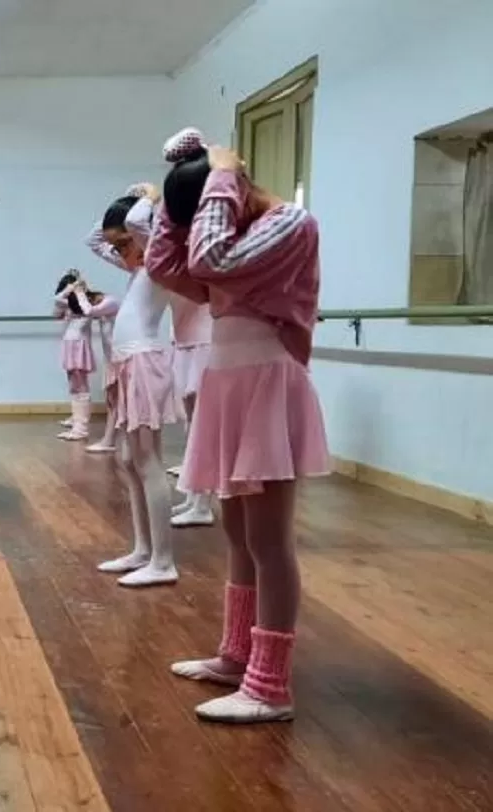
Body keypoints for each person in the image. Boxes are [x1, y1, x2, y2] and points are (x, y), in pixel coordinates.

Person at [147, 127, 329, 723]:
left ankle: (270, 686)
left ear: (234, 189)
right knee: (238, 534)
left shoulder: (289, 224)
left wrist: (220, 176)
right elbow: (167, 264)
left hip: (266, 383)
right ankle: (238, 653)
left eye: (209, 207)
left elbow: (208, 259)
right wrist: (171, 209)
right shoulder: (229, 228)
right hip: (231, 382)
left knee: (269, 540)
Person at [86, 185, 180, 588]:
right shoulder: (138, 266)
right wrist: (123, 196)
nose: (118, 251)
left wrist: (152, 196)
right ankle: (143, 549)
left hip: (143, 361)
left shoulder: (160, 258)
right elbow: (92, 240)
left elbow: (139, 222)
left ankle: (163, 560)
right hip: (127, 363)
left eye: (124, 242)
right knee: (129, 460)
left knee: (147, 461)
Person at [169, 290, 216, 528]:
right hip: (183, 341)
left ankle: (203, 504)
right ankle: (193, 494)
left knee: (204, 427)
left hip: (204, 341)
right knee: (191, 425)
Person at [53, 270, 97, 442]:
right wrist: (70, 288)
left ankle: (81, 427)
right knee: (74, 385)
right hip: (71, 345)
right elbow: (57, 301)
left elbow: (85, 308)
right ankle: (77, 420)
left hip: (78, 346)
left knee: (80, 386)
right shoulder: (71, 306)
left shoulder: (86, 303)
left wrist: (77, 289)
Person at [84, 292, 122, 453]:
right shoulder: (103, 308)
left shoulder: (111, 302)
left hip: (119, 359)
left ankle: (111, 440)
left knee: (117, 401)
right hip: (112, 360)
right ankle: (110, 439)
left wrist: (78, 291)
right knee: (112, 401)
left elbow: (88, 311)